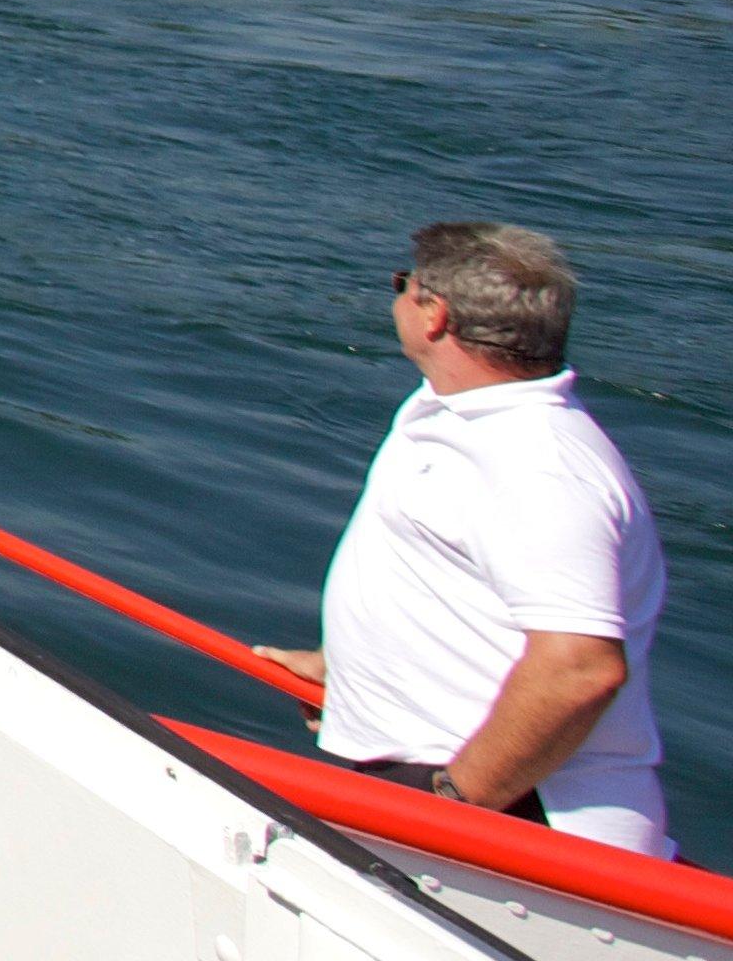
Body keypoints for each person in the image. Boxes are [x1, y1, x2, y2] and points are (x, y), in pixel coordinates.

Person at [260, 224, 672, 856]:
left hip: (519, 818)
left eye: (404, 285)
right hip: (441, 783)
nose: (395, 296)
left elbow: (579, 670)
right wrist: (348, 666)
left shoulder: (539, 466)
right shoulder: (452, 410)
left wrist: (454, 801)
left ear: (434, 315)